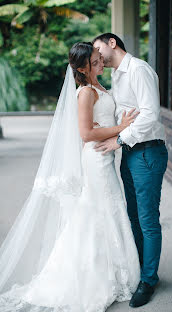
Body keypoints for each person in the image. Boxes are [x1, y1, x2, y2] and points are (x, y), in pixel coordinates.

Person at [0, 42, 140, 312]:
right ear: (82, 68)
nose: (100, 62)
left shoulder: (99, 87)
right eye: (95, 60)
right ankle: (96, 274)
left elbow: (99, 124)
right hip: (96, 159)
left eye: (100, 57)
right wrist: (120, 128)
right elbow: (86, 134)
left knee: (106, 210)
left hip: (105, 157)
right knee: (102, 210)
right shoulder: (85, 92)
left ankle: (113, 268)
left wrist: (116, 126)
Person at [93, 33, 168, 308]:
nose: (97, 55)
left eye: (98, 48)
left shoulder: (139, 69)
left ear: (112, 43)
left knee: (147, 220)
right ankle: (138, 271)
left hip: (147, 151)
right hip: (130, 153)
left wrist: (119, 139)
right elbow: (121, 113)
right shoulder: (117, 75)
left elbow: (150, 114)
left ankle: (149, 280)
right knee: (133, 216)